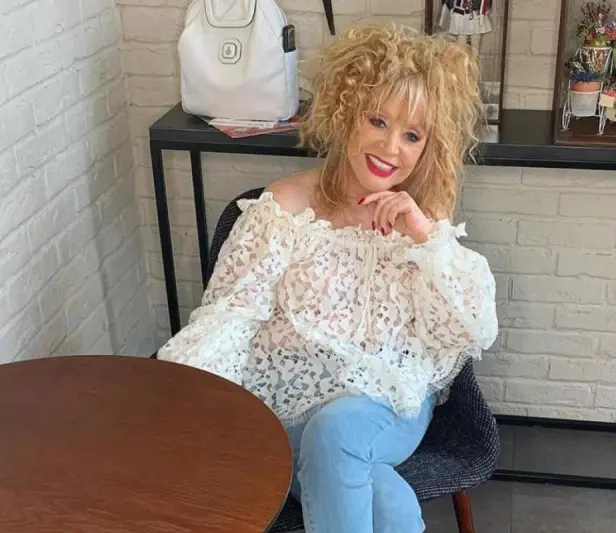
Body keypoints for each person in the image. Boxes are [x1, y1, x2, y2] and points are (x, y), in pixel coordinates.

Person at [157, 25, 499, 533]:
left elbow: (471, 329)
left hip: (389, 403)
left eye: (412, 135)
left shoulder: (419, 221)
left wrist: (426, 239)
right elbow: (231, 314)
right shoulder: (283, 208)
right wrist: (188, 398)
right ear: (346, 112)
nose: (390, 147)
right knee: (387, 504)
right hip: (288, 405)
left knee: (337, 432)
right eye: (377, 120)